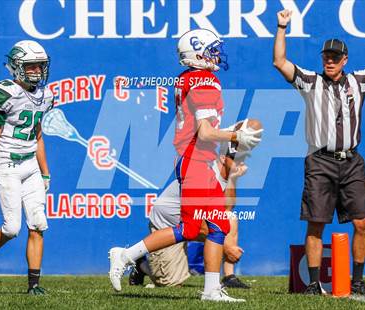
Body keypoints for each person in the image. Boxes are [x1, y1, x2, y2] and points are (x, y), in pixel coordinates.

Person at [108, 29, 262, 302]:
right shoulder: (205, 80)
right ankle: (127, 254)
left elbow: (199, 128)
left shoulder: (187, 78)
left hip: (194, 158)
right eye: (211, 50)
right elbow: (204, 133)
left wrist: (227, 132)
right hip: (196, 162)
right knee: (190, 229)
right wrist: (236, 135)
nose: (217, 54)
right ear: (198, 53)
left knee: (218, 225)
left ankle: (212, 290)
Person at [273, 10, 365, 295]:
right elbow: (279, 61)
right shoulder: (310, 82)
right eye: (326, 57)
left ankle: (357, 281)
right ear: (322, 59)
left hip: (351, 160)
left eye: (335, 57)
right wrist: (282, 26)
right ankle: (314, 283)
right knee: (316, 223)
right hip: (320, 161)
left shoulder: (358, 81)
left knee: (363, 222)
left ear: (345, 60)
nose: (329, 61)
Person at [129, 119, 262, 289]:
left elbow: (226, 209)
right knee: (172, 284)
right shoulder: (205, 172)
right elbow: (200, 223)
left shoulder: (224, 170)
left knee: (230, 218)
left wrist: (233, 178)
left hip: (188, 222)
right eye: (240, 158)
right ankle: (141, 265)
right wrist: (227, 247)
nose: (243, 162)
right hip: (168, 223)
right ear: (223, 157)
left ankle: (228, 277)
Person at [0, 40, 53, 295]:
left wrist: (45, 172)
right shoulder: (5, 92)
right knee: (11, 228)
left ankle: (34, 285)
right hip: (6, 163)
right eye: (31, 66)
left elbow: (38, 136)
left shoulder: (45, 95)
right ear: (17, 67)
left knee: (38, 223)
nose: (37, 71)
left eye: (40, 66)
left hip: (30, 165)